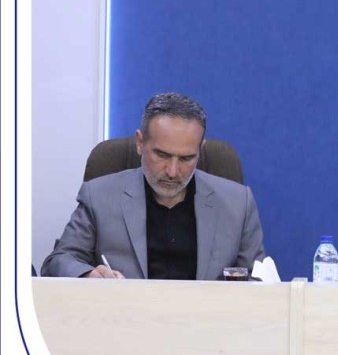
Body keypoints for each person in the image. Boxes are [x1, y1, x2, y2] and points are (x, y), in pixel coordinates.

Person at [41, 93, 266, 280]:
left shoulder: (238, 203)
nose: (172, 171)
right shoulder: (98, 196)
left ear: (201, 149)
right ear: (140, 143)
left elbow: (258, 281)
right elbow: (58, 261)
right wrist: (88, 274)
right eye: (162, 155)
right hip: (126, 316)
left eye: (186, 158)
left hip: (207, 319)